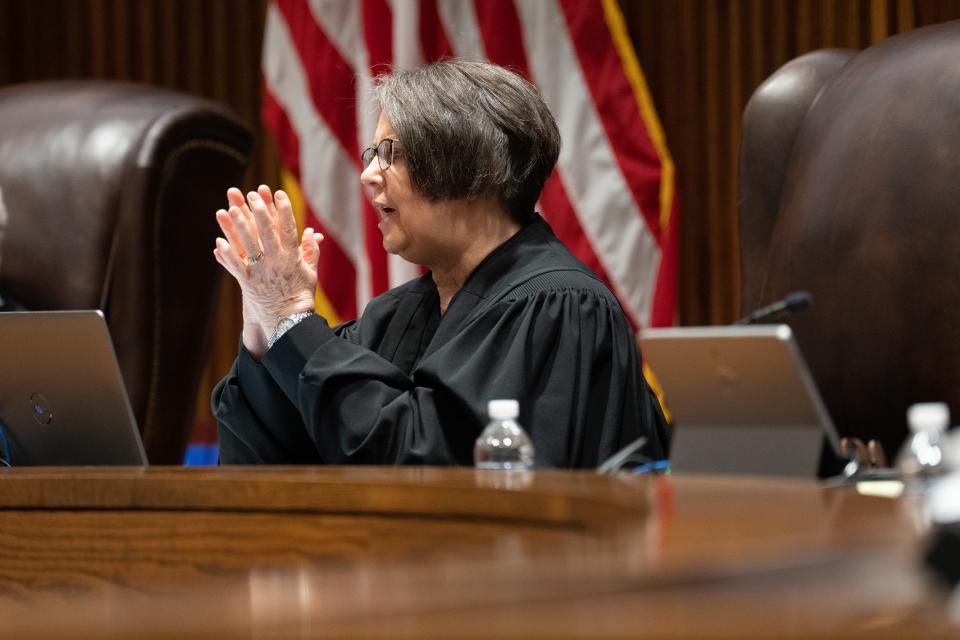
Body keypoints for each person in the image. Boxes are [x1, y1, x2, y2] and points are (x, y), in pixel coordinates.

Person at [212, 59, 669, 467]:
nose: (369, 174)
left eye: (391, 154)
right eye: (374, 155)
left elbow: (429, 468)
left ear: (471, 170)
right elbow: (268, 457)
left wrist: (292, 314)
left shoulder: (557, 306)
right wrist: (263, 320)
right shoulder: (395, 316)